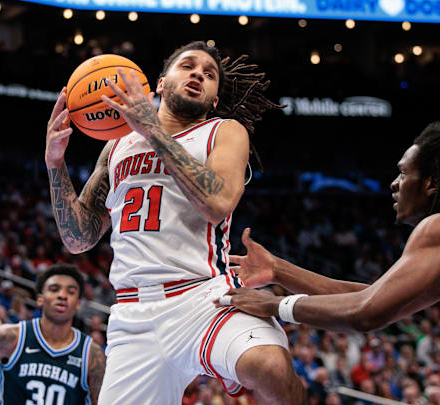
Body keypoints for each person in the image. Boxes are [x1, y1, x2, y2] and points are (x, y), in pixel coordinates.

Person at [45, 40, 304, 404]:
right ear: (161, 84)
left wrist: (152, 128)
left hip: (204, 297)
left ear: (214, 99)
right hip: (135, 314)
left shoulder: (223, 132)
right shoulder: (117, 146)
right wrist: (55, 163)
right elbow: (78, 238)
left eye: (209, 74)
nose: (198, 73)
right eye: (187, 66)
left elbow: (217, 204)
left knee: (271, 367)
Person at [218, 112, 440, 371]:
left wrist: (274, 306)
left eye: (403, 173)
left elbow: (366, 314)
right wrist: (280, 270)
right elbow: (369, 297)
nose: (394, 184)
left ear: (431, 184)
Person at [0, 264, 105, 405]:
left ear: (78, 304)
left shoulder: (91, 354)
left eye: (71, 292)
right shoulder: (11, 337)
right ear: (40, 299)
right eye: (54, 289)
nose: (62, 295)